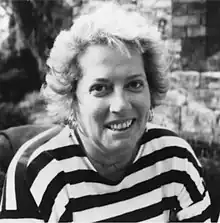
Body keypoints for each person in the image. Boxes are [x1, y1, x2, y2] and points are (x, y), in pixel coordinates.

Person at [0, 2, 211, 222]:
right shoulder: (36, 171)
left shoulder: (174, 158)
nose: (120, 105)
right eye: (100, 88)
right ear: (71, 99)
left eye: (134, 84)